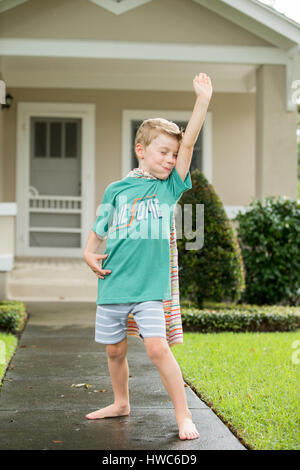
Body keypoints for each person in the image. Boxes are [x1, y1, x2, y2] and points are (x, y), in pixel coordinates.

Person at [83, 73, 213, 440]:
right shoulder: (117, 189)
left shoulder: (169, 188)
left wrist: (202, 102)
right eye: (163, 152)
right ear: (141, 150)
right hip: (114, 281)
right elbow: (101, 225)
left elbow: (188, 147)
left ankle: (184, 414)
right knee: (114, 351)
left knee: (157, 348)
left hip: (149, 287)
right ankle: (121, 402)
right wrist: (88, 253)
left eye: (174, 154)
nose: (171, 159)